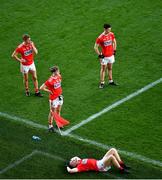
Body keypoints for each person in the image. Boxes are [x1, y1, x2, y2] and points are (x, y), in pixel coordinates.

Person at [40, 66, 63, 132]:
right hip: (54, 98)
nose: (59, 72)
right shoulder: (50, 80)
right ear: (55, 72)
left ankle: (58, 123)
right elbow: (41, 87)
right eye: (58, 71)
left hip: (60, 96)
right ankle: (50, 126)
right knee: (52, 112)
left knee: (58, 110)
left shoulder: (59, 76)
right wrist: (49, 91)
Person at [94, 24, 117, 88]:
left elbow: (114, 41)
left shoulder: (111, 34)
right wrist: (100, 55)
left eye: (110, 29)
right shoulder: (100, 37)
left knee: (110, 68)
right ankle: (102, 83)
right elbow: (95, 47)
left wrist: (114, 50)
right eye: (109, 29)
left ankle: (111, 81)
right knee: (103, 69)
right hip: (104, 57)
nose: (110, 30)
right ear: (105, 29)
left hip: (111, 55)